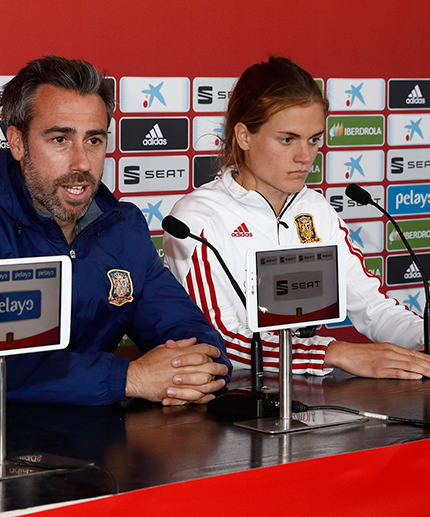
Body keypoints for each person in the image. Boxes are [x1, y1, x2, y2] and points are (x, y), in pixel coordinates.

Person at [0, 55, 231, 409]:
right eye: (60, 140)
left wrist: (197, 370)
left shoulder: (122, 228)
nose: (81, 163)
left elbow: (188, 331)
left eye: (94, 141)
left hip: (86, 440)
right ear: (17, 142)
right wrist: (129, 378)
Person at [164, 56, 430, 379]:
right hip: (234, 411)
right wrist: (333, 352)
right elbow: (221, 342)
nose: (305, 157)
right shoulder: (198, 219)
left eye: (314, 139)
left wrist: (422, 337)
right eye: (287, 139)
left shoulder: (316, 210)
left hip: (313, 407)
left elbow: (373, 307)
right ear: (244, 136)